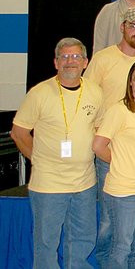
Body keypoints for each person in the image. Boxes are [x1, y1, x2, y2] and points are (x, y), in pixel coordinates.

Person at [84, 7, 135, 266]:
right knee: (112, 227)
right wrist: (118, 160)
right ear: (122, 27)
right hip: (112, 156)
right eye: (133, 26)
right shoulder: (103, 59)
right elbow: (86, 96)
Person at [10, 38, 102, 268]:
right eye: (65, 57)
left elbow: (99, 129)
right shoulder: (39, 93)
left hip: (85, 184)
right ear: (55, 62)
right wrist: (39, 160)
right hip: (48, 185)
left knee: (82, 241)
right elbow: (19, 133)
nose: (70, 62)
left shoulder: (95, 92)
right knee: (46, 243)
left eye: (76, 57)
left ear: (85, 62)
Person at [92, 61, 135, 269]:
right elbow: (98, 146)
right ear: (130, 82)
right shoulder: (118, 110)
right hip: (123, 190)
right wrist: (121, 163)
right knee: (122, 245)